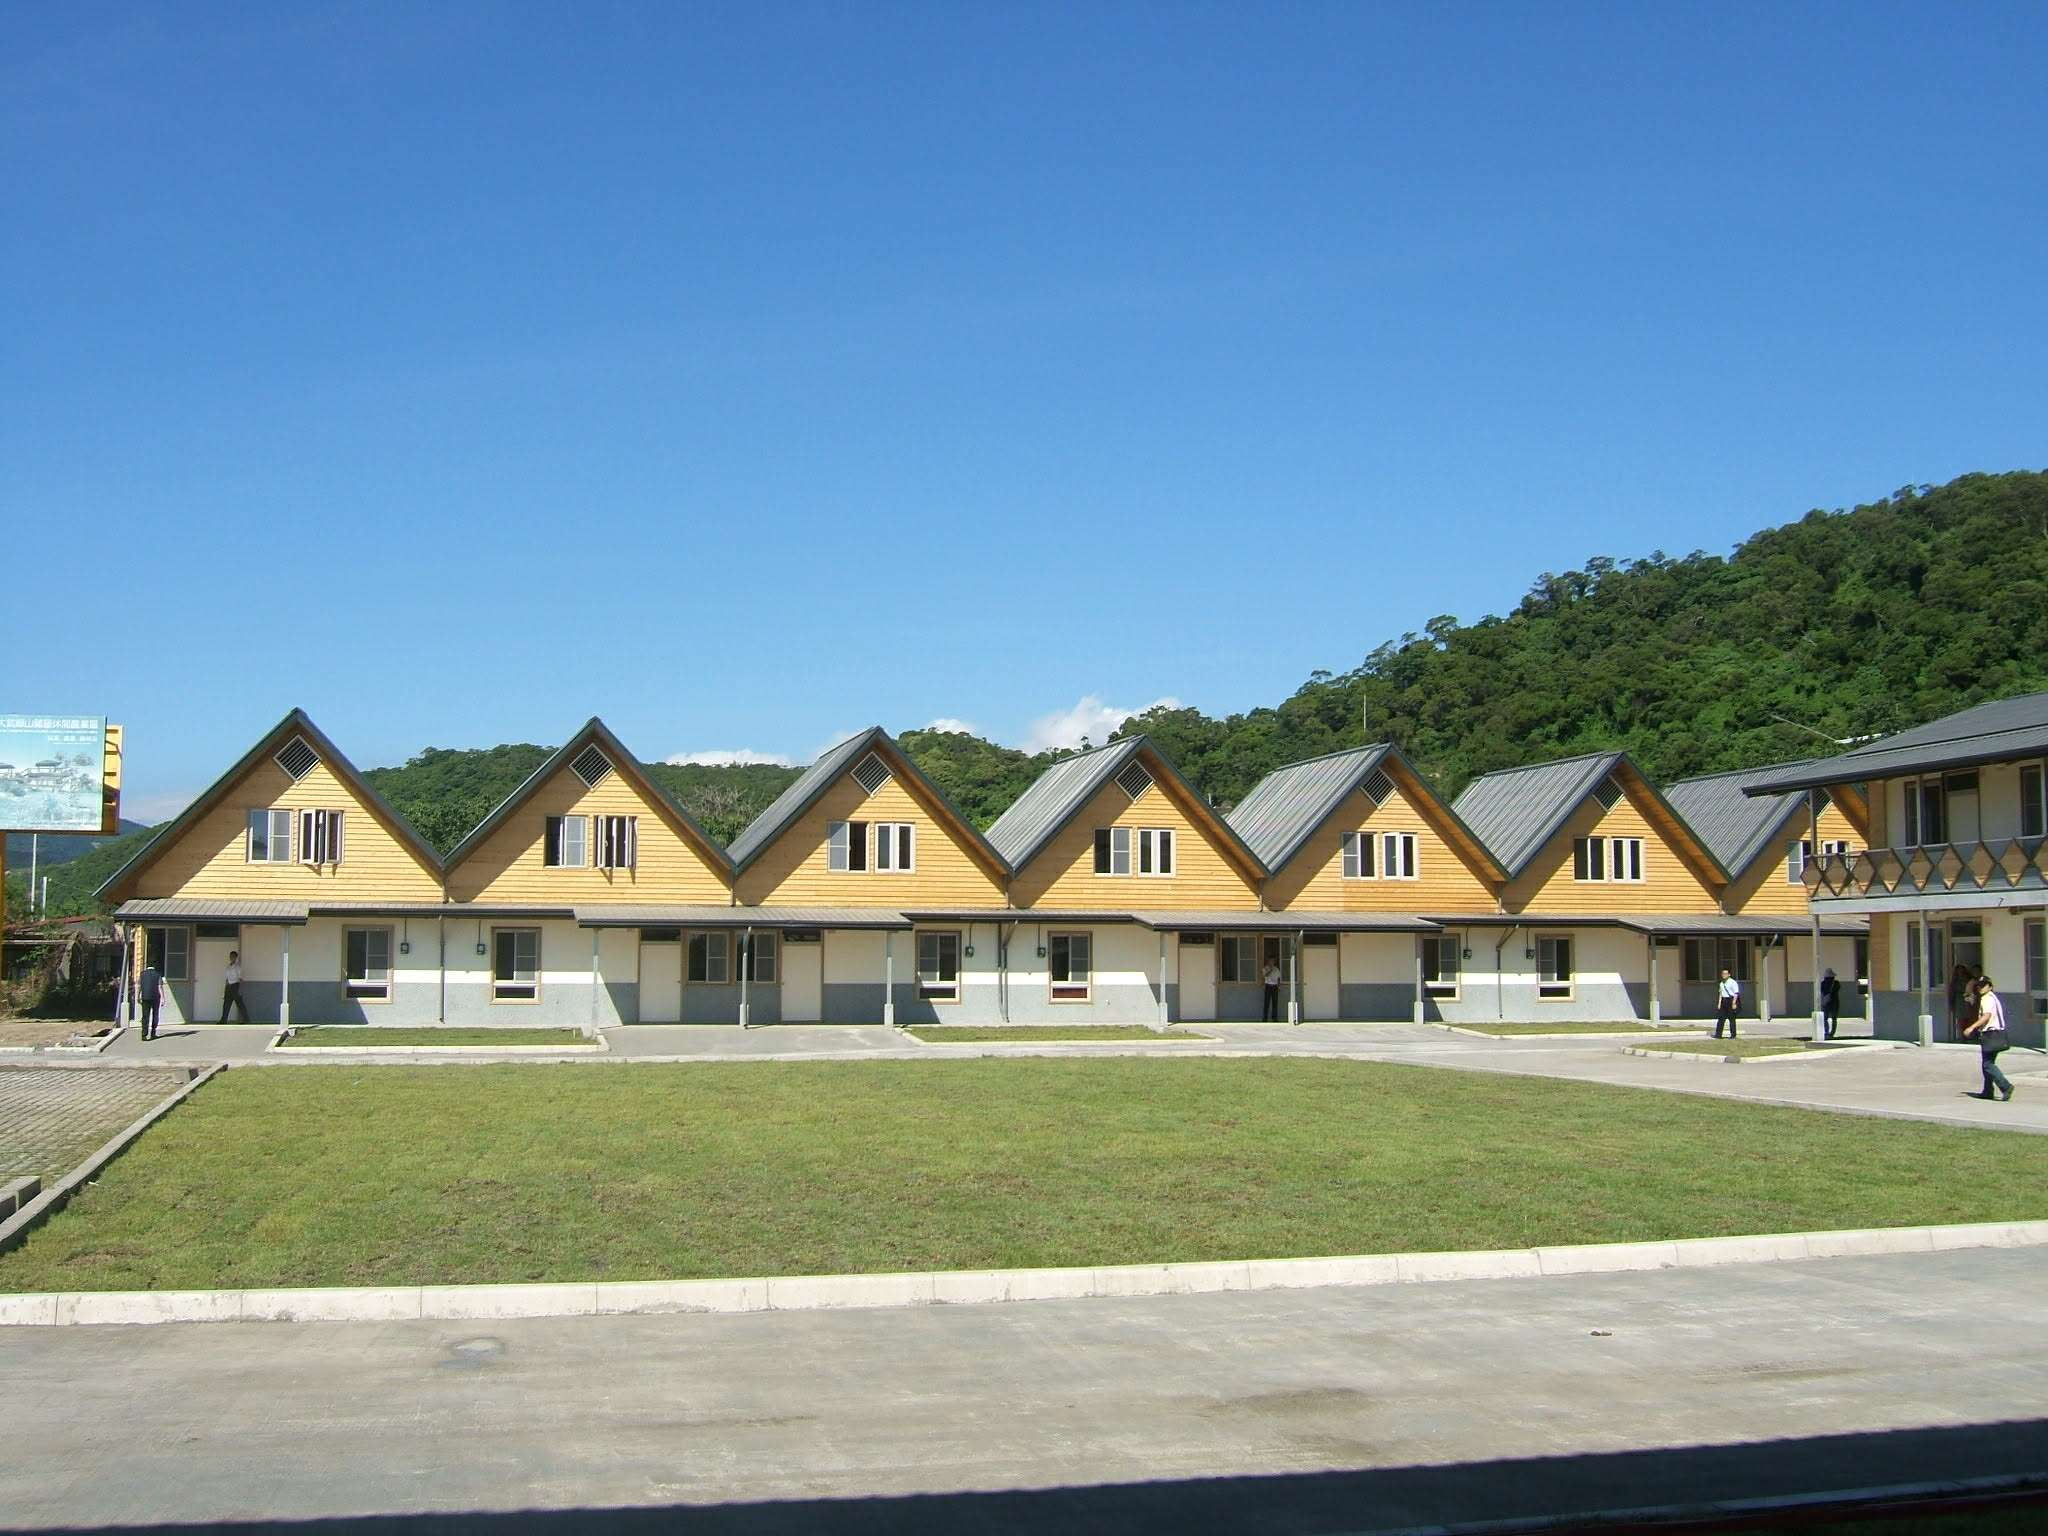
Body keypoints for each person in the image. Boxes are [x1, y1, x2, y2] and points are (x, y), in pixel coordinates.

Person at [1963, 975, 2014, 1101]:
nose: (1980, 988)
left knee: (1987, 1064)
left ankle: (2005, 1086)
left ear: (1990, 986)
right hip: (1995, 1033)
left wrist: (1971, 1027)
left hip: (1991, 1034)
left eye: (1984, 985)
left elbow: (1986, 1016)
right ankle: (1987, 1090)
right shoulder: (1992, 998)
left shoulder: (1987, 998)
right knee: (1987, 1063)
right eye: (1979, 986)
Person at [1947, 962, 1977, 1044]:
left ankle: (1971, 1036)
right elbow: (1951, 994)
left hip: (1969, 1002)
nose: (1960, 973)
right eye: (1958, 971)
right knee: (1961, 1021)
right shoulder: (1955, 982)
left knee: (1970, 1019)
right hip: (1959, 1003)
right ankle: (1963, 1037)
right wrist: (1951, 1005)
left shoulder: (1970, 980)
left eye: (1962, 971)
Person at [219, 949, 249, 1024]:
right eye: (231, 956)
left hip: (235, 986)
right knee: (226, 1004)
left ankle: (246, 1019)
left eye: (233, 957)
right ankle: (223, 1020)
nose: (232, 958)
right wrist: (225, 990)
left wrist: (240, 990)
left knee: (240, 1004)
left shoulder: (237, 967)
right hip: (229, 986)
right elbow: (227, 979)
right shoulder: (228, 967)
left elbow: (240, 979)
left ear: (236, 958)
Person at [137, 959, 164, 1042]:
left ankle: (144, 1035)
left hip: (145, 997)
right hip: (155, 997)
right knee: (155, 1015)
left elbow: (139, 986)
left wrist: (138, 996)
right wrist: (163, 998)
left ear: (146, 966)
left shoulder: (142, 974)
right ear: (154, 966)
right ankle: (153, 1033)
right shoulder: (157, 974)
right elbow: (160, 986)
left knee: (145, 1016)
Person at [1713, 968, 1740, 1039]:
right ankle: (1718, 1035)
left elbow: (1736, 993)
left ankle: (1733, 1035)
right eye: (1723, 974)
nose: (1724, 975)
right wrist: (1719, 1003)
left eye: (1725, 974)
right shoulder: (1721, 983)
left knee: (1731, 1019)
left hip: (1730, 1000)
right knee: (1721, 1018)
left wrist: (1734, 1003)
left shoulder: (1733, 982)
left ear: (1729, 974)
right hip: (1723, 1001)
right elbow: (1720, 993)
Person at [1819, 967, 1841, 1041]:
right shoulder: (1836, 983)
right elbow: (1837, 990)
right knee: (1834, 1019)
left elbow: (1822, 992)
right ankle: (1832, 1033)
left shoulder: (1822, 984)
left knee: (1825, 1018)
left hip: (1826, 1003)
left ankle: (1826, 1032)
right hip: (1835, 1003)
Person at [1261, 955, 1283, 1022]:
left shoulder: (1277, 969)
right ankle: (1265, 1019)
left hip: (1275, 986)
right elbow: (1265, 975)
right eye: (1270, 961)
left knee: (1275, 1003)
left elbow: (1279, 978)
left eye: (1273, 961)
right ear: (1268, 961)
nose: (1272, 962)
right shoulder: (1265, 968)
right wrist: (1270, 969)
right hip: (1268, 986)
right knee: (1266, 1003)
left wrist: (1279, 986)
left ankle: (1274, 1018)